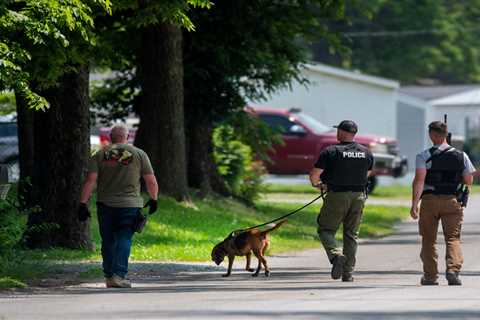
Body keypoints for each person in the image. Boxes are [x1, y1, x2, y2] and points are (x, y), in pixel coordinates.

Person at [78, 124, 159, 288]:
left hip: (105, 205)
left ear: (110, 137)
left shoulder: (100, 154)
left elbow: (90, 181)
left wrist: (82, 203)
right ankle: (119, 275)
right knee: (124, 238)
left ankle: (108, 275)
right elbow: (150, 180)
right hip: (129, 205)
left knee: (107, 240)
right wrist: (154, 199)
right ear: (127, 137)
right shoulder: (139, 154)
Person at [410, 121, 475, 286]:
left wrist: (414, 205)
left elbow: (419, 181)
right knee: (453, 238)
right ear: (446, 134)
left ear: (432, 134)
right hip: (452, 200)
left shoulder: (423, 155)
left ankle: (430, 277)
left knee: (428, 239)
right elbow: (469, 180)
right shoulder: (461, 155)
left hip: (430, 201)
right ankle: (453, 270)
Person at [309, 120, 374, 282]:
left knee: (325, 230)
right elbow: (368, 174)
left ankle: (336, 255)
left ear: (343, 132)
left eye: (338, 130)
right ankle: (348, 274)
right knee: (351, 235)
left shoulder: (331, 151)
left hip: (337, 195)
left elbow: (315, 174)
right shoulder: (366, 152)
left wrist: (318, 185)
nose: (336, 133)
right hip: (358, 197)